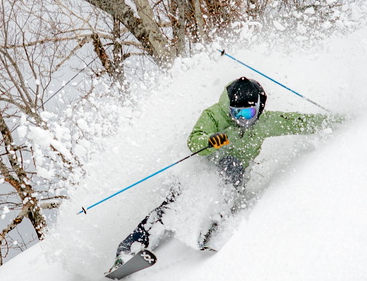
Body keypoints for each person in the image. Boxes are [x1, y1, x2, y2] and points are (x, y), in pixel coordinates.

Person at [112, 76, 337, 266]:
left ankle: (211, 225)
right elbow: (194, 142)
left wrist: (334, 121)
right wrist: (215, 139)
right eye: (236, 114)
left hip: (234, 173)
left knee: (233, 170)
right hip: (204, 167)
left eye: (247, 114)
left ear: (258, 109)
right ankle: (130, 248)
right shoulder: (214, 115)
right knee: (173, 202)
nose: (242, 121)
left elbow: (297, 122)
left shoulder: (265, 123)